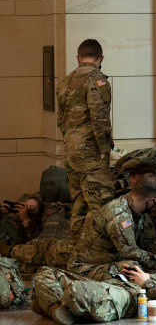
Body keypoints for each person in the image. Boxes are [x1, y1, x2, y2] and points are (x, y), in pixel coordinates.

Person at [33, 230, 156, 325]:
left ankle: (59, 305)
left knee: (76, 292)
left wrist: (147, 283)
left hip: (129, 298)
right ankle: (58, 309)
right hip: (119, 285)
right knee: (47, 273)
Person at [57, 38, 115, 234]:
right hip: (90, 152)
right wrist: (105, 152)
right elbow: (99, 119)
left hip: (70, 151)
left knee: (79, 205)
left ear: (78, 57)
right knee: (100, 205)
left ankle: (77, 251)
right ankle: (97, 254)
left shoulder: (65, 81)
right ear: (101, 58)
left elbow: (61, 120)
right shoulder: (97, 79)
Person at [67, 173, 156, 280]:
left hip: (111, 261)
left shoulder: (137, 211)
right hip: (86, 268)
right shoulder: (119, 214)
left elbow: (147, 243)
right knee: (131, 268)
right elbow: (130, 253)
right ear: (150, 201)